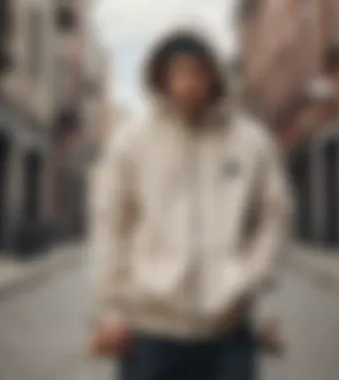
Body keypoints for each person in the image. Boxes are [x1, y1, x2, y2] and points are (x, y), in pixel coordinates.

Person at [89, 31, 292, 380]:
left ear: (214, 75)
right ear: (160, 79)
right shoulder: (132, 141)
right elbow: (111, 225)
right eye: (175, 74)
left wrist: (252, 277)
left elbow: (275, 215)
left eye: (196, 72)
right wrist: (112, 309)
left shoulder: (250, 141)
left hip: (228, 330)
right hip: (151, 331)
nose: (186, 84)